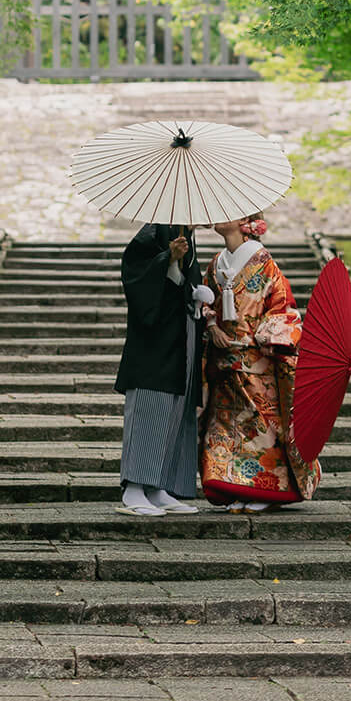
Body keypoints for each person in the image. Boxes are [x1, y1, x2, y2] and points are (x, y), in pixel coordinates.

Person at [199, 214, 321, 511]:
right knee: (225, 426)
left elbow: (282, 307)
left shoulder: (264, 261)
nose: (219, 217)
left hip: (257, 361)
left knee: (260, 428)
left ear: (246, 223)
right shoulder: (216, 263)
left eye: (229, 214)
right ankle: (235, 486)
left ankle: (264, 491)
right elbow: (205, 304)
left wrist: (264, 338)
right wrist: (212, 326)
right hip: (223, 360)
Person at [114, 221, 213, 516]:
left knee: (177, 409)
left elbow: (184, 284)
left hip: (182, 335)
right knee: (150, 405)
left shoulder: (187, 237)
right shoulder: (153, 234)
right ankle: (134, 487)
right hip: (154, 342)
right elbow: (135, 277)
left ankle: (159, 486)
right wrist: (167, 259)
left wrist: (196, 295)